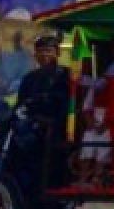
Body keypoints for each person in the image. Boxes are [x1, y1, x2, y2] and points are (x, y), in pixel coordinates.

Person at [15, 34, 73, 185]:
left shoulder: (66, 75)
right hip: (31, 125)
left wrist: (51, 121)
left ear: (57, 52)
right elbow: (20, 104)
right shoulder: (29, 78)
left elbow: (68, 103)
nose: (44, 55)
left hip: (57, 127)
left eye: (48, 51)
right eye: (40, 51)